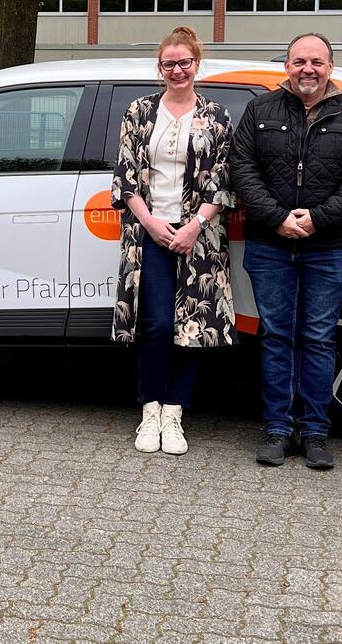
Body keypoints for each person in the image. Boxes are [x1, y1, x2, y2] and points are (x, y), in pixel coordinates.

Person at [229, 33, 342, 470]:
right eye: (299, 61)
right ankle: (277, 429)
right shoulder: (260, 109)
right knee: (276, 337)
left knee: (318, 338)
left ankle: (315, 432)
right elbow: (242, 168)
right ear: (287, 66)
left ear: (329, 66)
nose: (307, 69)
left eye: (316, 61)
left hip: (329, 246)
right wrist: (278, 217)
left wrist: (316, 218)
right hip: (269, 243)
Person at [111, 26, 236, 456]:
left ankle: (175, 413)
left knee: (194, 327)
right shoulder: (140, 111)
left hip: (199, 236)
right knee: (158, 324)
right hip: (149, 233)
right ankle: (150, 409)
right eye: (170, 63)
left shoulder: (217, 116)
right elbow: (125, 174)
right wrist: (151, 224)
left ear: (197, 65)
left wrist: (195, 225)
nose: (177, 70)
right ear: (159, 67)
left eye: (185, 62)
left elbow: (223, 179)